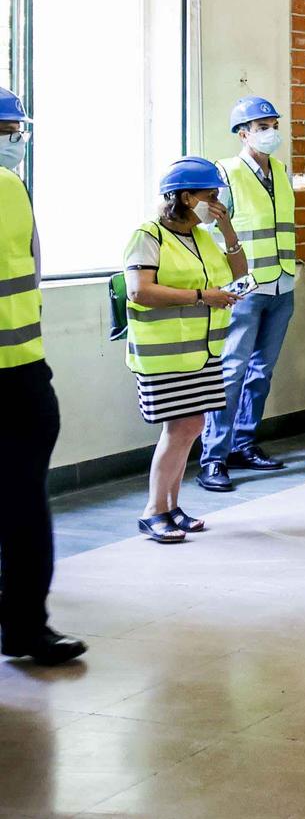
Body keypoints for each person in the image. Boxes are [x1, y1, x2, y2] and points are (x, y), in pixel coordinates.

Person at [0, 89, 84, 664]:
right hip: (18, 377)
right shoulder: (12, 189)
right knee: (25, 505)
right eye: (11, 131)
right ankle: (26, 628)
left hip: (21, 375)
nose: (17, 141)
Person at [124, 157, 246, 543]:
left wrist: (226, 228)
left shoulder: (202, 236)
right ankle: (153, 511)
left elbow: (240, 274)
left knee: (191, 427)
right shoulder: (149, 235)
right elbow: (139, 290)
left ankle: (172, 506)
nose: (215, 202)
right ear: (185, 197)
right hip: (164, 353)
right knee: (179, 428)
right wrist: (200, 297)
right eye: (210, 196)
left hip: (202, 351)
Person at [199, 95, 296, 493]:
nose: (272, 132)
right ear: (243, 133)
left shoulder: (281, 170)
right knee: (231, 371)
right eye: (262, 126)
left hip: (283, 284)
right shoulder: (226, 173)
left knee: (261, 371)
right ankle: (213, 457)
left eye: (273, 124)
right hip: (246, 288)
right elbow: (209, 233)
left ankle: (244, 442)